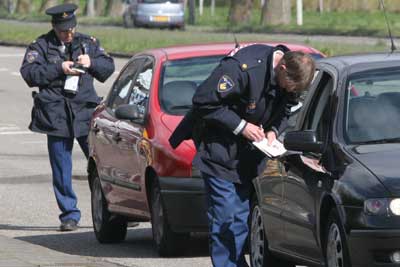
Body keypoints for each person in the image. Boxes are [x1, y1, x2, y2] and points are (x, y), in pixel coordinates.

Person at [170, 44, 315, 267]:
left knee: (239, 221)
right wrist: (241, 126)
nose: (289, 91)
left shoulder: (289, 80)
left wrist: (273, 130)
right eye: (288, 86)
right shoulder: (243, 68)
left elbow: (287, 109)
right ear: (282, 67)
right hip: (219, 151)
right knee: (226, 218)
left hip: (248, 157)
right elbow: (203, 101)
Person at [20, 3, 115, 231]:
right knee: (61, 169)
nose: (68, 33)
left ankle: (113, 210)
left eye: (71, 28)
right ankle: (69, 214)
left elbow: (108, 67)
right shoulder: (41, 46)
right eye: (64, 30)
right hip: (56, 115)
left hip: (84, 112)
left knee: (100, 164)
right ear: (54, 27)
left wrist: (90, 63)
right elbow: (29, 73)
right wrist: (59, 69)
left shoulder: (87, 43)